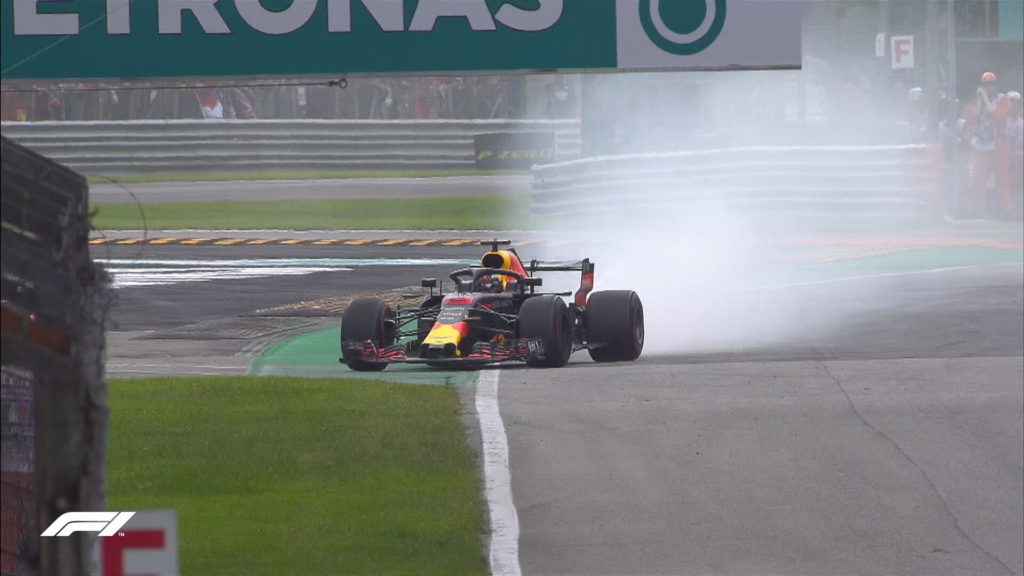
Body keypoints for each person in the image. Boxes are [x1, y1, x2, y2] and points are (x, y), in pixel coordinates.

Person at [961, 72, 1012, 218]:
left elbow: (998, 114)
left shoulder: (1003, 99)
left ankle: (1007, 211)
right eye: (984, 85)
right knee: (978, 179)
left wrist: (985, 99)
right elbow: (972, 116)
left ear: (995, 86)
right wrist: (980, 101)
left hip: (997, 145)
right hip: (980, 146)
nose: (987, 87)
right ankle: (978, 211)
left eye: (990, 84)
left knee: (1002, 179)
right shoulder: (977, 100)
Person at [1005, 91, 1023, 218]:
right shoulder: (1001, 121)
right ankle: (1008, 210)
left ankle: (1017, 210)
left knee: (1018, 185)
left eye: (1017, 103)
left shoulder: (1021, 122)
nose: (1014, 105)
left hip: (1019, 158)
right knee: (1006, 185)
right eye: (1012, 102)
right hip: (1004, 158)